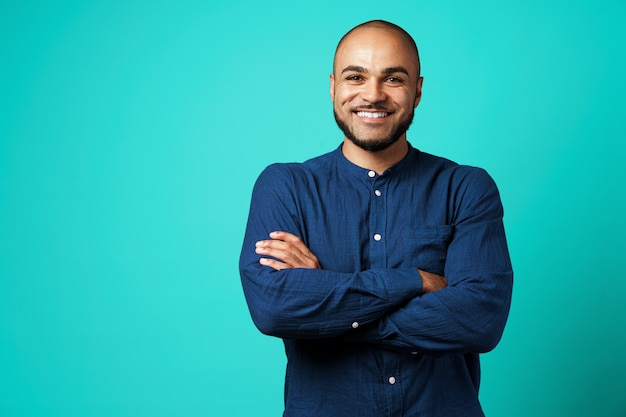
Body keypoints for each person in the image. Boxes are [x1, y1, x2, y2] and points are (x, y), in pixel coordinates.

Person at [239, 19, 513, 417]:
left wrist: (326, 307)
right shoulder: (286, 186)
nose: (373, 95)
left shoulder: (467, 188)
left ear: (417, 90)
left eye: (393, 79)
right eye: (356, 77)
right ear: (333, 86)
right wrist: (413, 281)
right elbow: (275, 308)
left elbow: (479, 320)